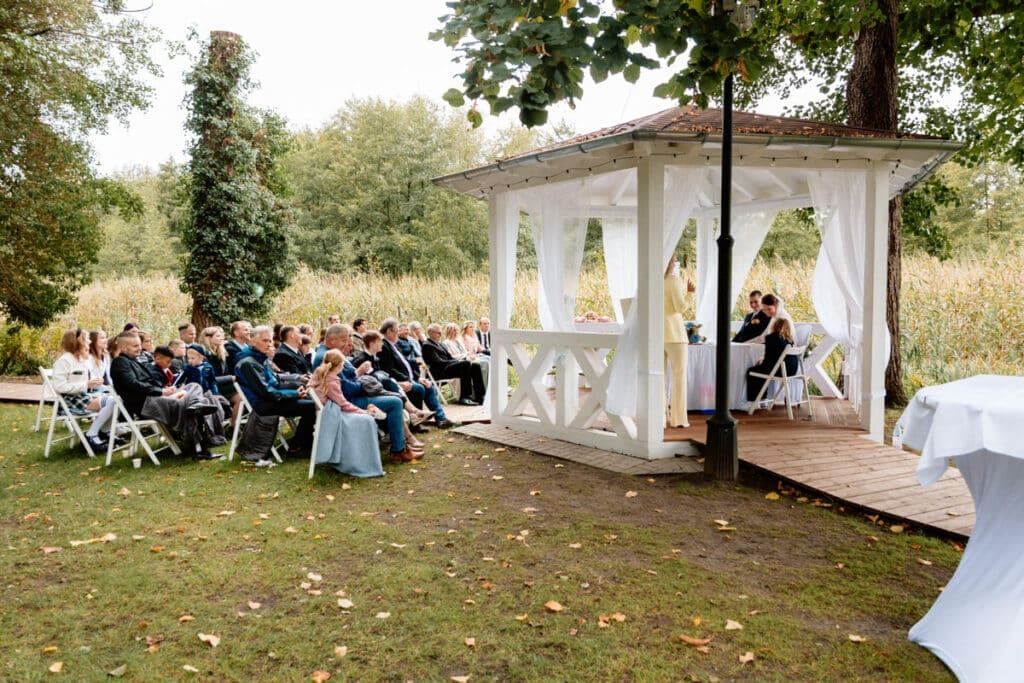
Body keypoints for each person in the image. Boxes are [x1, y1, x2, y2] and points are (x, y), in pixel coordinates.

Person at [312, 324, 423, 462]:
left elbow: (348, 379)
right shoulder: (326, 356)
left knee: (392, 395)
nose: (347, 345)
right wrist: (361, 383)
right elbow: (346, 389)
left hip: (349, 397)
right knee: (394, 403)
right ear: (331, 340)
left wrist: (359, 379)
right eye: (343, 341)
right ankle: (398, 450)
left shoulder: (330, 352)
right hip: (346, 402)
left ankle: (403, 442)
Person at [110, 331, 219, 459]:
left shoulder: (133, 360)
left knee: (194, 386)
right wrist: (161, 391)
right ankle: (200, 446)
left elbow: (148, 383)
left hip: (156, 396)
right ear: (123, 348)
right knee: (187, 406)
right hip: (146, 403)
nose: (139, 348)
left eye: (139, 344)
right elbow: (133, 385)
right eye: (135, 346)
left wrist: (165, 389)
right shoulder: (120, 363)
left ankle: (195, 406)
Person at [234, 325, 316, 459]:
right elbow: (267, 392)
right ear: (253, 342)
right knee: (312, 406)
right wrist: (294, 394)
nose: (269, 344)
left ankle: (303, 443)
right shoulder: (248, 362)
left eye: (270, 340)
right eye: (265, 341)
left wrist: (297, 383)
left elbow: (275, 379)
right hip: (264, 405)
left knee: (312, 400)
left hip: (272, 399)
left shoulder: (260, 357)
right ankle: (297, 447)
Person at [309, 349, 385, 477]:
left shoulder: (321, 373)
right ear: (339, 366)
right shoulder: (331, 380)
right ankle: (360, 462)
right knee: (367, 420)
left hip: (330, 411)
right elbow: (343, 404)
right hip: (332, 415)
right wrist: (363, 412)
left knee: (366, 419)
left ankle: (361, 459)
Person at [377, 318, 454, 428]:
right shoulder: (384, 346)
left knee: (428, 386)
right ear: (389, 332)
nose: (398, 334)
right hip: (398, 381)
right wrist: (408, 380)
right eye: (396, 331)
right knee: (419, 388)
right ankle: (417, 422)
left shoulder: (394, 345)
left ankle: (441, 419)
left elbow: (406, 363)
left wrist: (418, 378)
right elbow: (389, 370)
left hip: (410, 378)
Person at [52, 328, 119, 451]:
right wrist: (86, 384)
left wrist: (92, 383)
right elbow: (59, 387)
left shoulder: (81, 359)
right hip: (69, 400)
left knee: (116, 400)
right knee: (113, 401)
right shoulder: (64, 361)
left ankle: (103, 432)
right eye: (86, 339)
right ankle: (92, 434)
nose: (89, 341)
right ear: (78, 342)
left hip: (83, 396)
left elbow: (83, 383)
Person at [664, 256, 695, 428]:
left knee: (658, 377)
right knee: (679, 377)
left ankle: (659, 418)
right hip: (675, 335)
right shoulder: (673, 280)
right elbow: (680, 307)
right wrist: (690, 294)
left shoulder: (652, 281)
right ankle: (678, 419)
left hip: (657, 334)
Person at [423, 323, 485, 405]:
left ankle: (480, 396)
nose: (440, 335)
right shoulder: (427, 345)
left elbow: (450, 358)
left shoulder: (440, 344)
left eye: (441, 332)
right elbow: (438, 362)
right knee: (465, 364)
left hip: (447, 367)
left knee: (475, 365)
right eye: (438, 333)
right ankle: (465, 397)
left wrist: (458, 361)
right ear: (431, 333)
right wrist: (458, 362)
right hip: (439, 371)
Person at [181, 344, 229, 445]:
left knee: (217, 411)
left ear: (201, 357)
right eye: (188, 358)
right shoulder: (187, 368)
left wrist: (215, 393)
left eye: (193, 358)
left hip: (207, 393)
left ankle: (217, 434)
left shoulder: (208, 367)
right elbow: (180, 379)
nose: (190, 360)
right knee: (204, 416)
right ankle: (205, 436)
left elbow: (213, 382)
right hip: (196, 395)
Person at [746, 317, 798, 403]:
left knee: (752, 371)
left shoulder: (771, 338)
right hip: (792, 371)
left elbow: (768, 359)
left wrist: (761, 362)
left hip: (780, 371)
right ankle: (763, 398)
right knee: (762, 369)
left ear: (774, 326)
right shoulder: (790, 340)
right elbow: (776, 355)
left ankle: (755, 401)